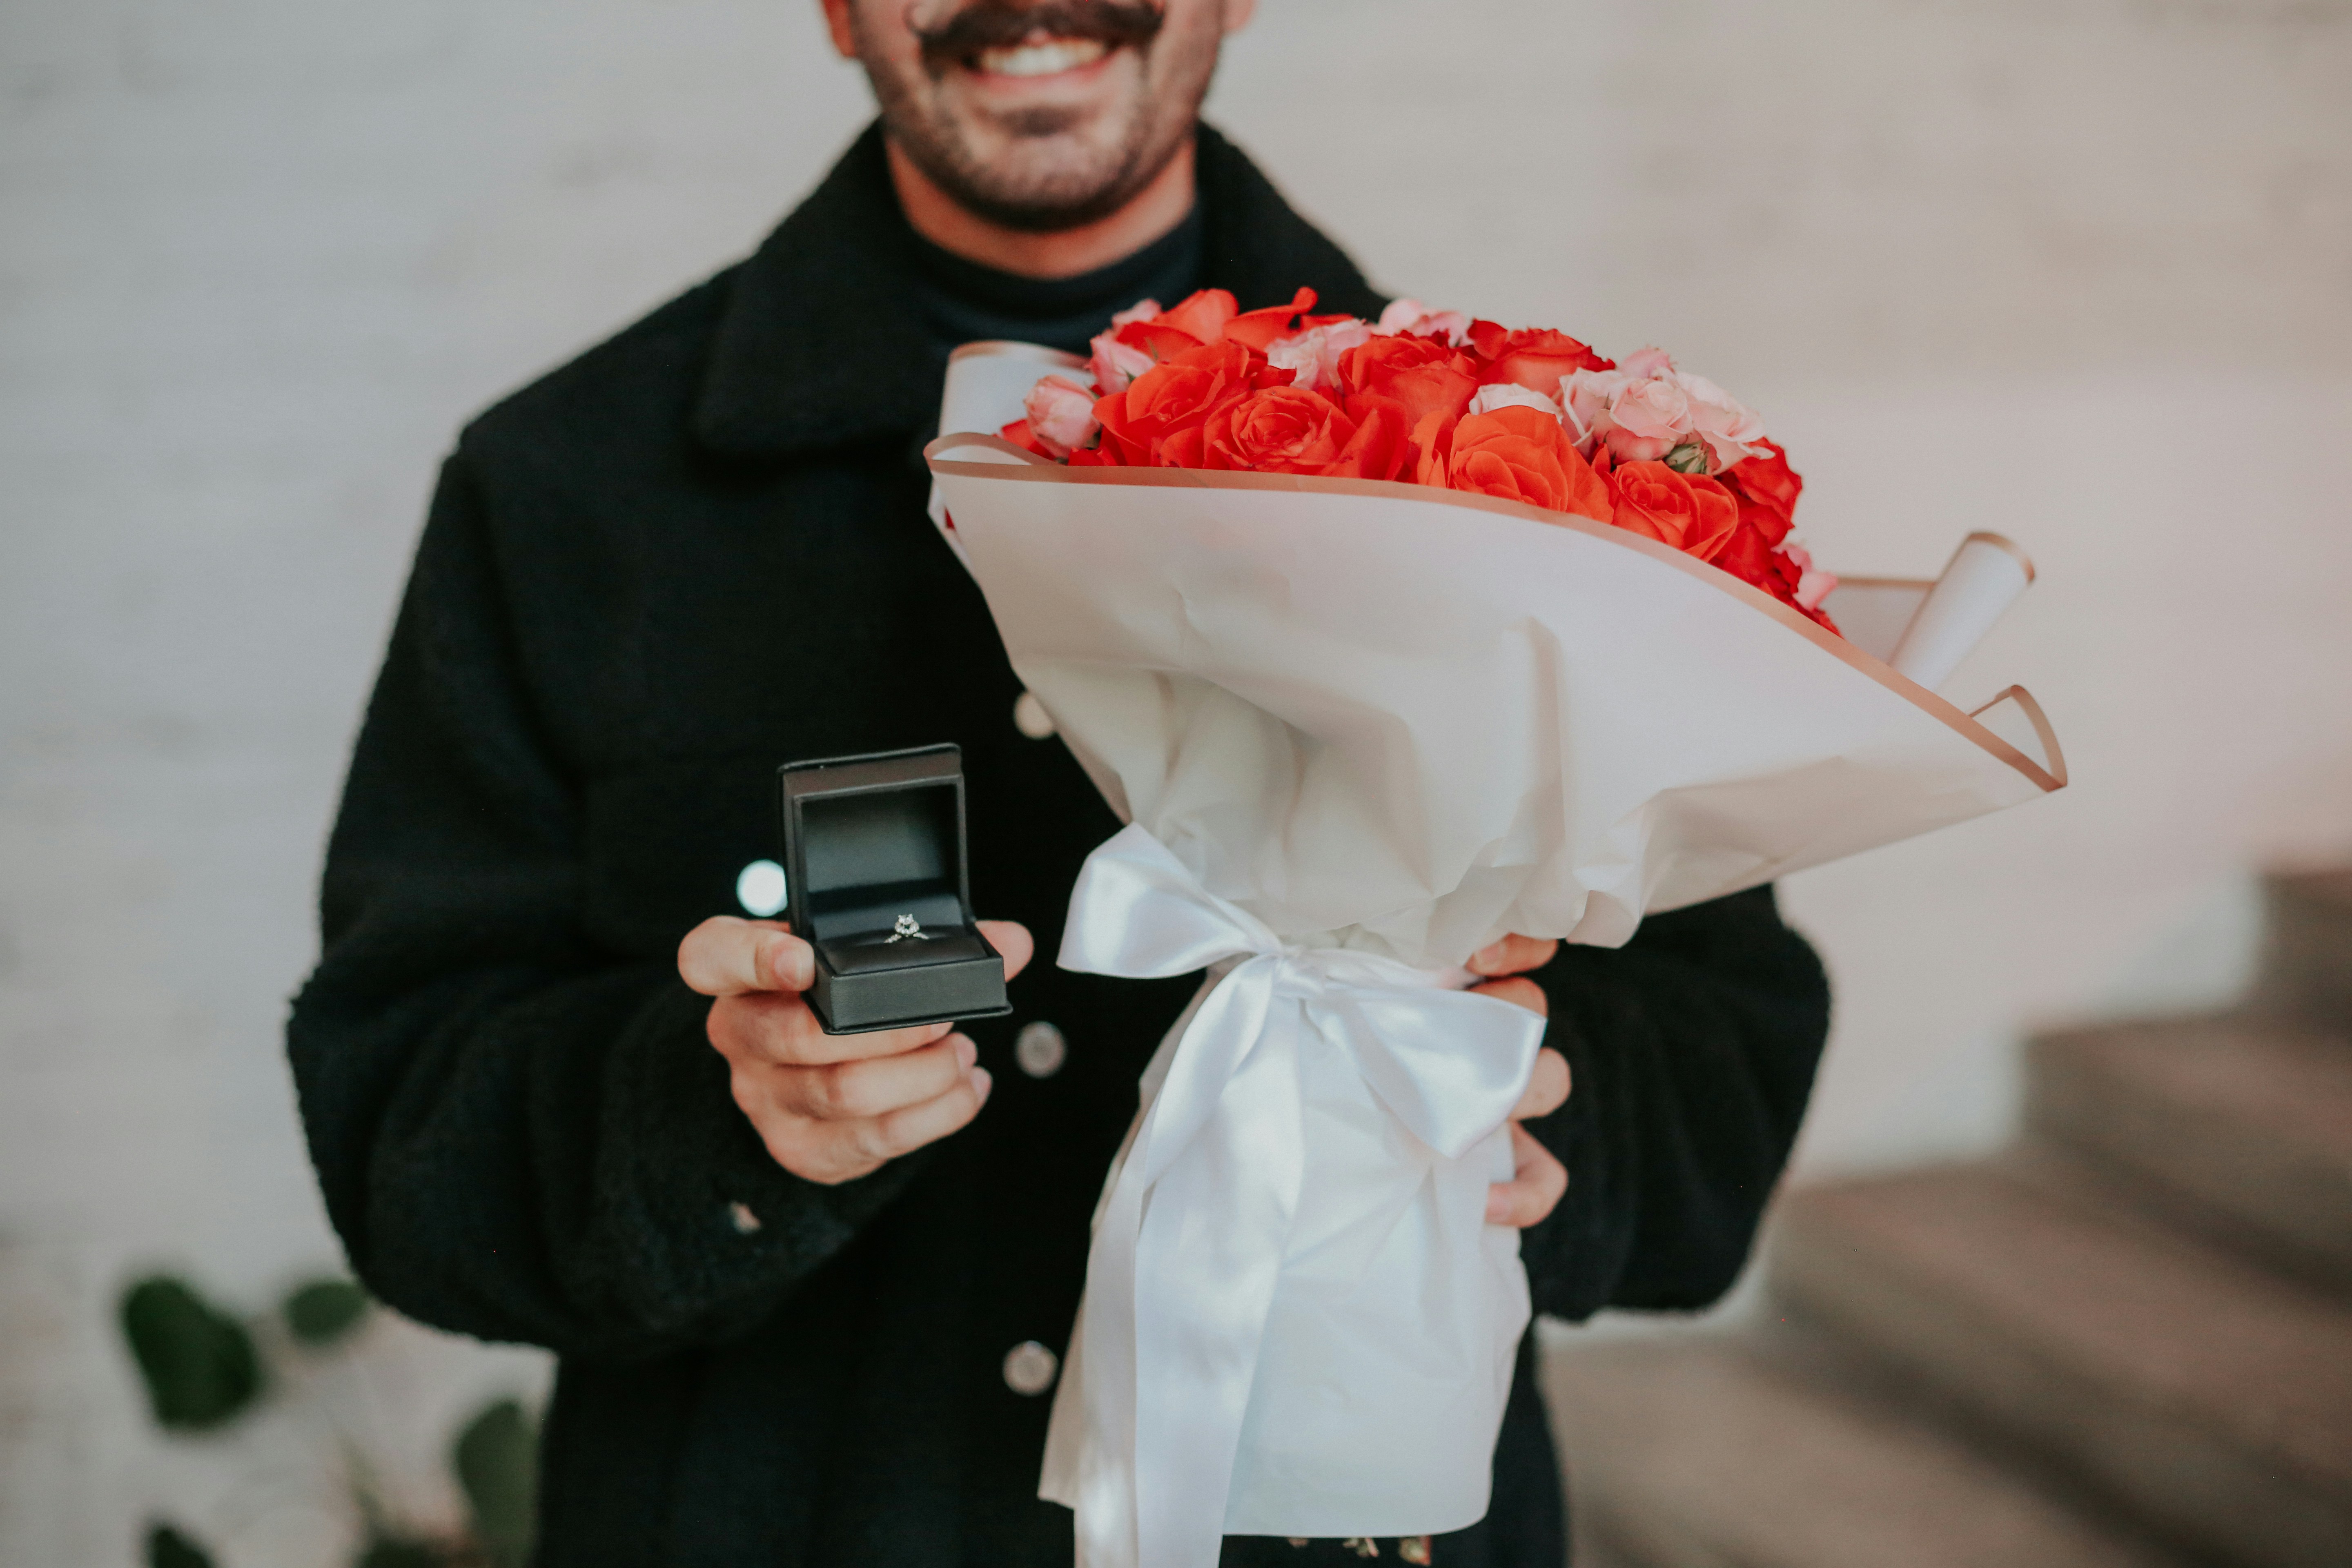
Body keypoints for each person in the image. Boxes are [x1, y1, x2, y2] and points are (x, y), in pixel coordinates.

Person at [286, 2, 1833, 1564]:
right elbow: (401, 1137)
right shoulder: (567, 487)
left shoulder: (1522, 474)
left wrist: (1543, 1101)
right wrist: (721, 1119)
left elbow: (1731, 1064)